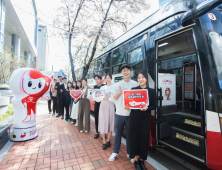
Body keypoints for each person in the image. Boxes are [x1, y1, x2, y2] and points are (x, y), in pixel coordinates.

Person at [125, 72, 156, 170]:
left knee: (144, 139)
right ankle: (136, 160)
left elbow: (154, 105)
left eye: (143, 77)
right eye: (139, 78)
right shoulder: (133, 90)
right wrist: (127, 106)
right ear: (137, 80)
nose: (141, 79)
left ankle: (142, 160)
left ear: (146, 79)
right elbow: (129, 103)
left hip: (145, 119)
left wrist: (147, 108)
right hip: (134, 118)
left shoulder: (151, 91)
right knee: (134, 138)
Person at [109, 64, 138, 163]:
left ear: (130, 72)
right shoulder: (117, 85)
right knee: (118, 134)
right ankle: (115, 152)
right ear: (121, 73)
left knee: (130, 135)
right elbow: (112, 99)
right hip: (119, 114)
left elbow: (138, 99)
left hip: (131, 115)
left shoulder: (135, 84)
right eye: (124, 70)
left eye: (128, 70)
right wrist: (120, 92)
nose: (126, 72)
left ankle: (130, 153)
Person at [98, 74, 115, 150]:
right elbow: (98, 98)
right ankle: (104, 142)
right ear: (105, 79)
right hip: (103, 106)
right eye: (106, 78)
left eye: (109, 78)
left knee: (110, 122)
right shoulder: (102, 87)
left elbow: (115, 98)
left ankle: (108, 140)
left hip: (111, 106)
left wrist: (109, 99)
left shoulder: (114, 87)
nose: (108, 79)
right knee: (103, 122)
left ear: (111, 79)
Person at [92, 75, 105, 139]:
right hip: (97, 104)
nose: (96, 80)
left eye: (98, 79)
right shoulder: (94, 87)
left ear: (100, 79)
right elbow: (91, 95)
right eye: (95, 79)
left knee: (103, 119)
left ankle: (103, 133)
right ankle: (97, 132)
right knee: (96, 118)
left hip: (103, 104)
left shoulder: (104, 86)